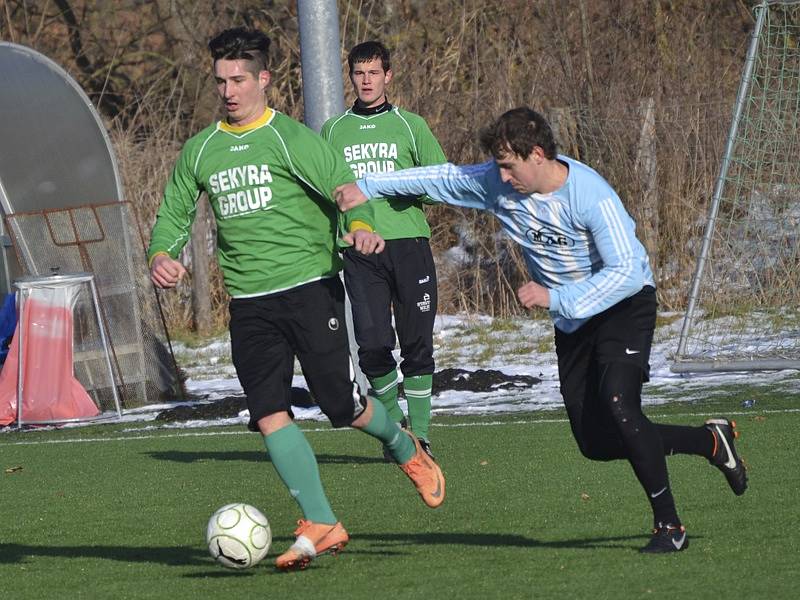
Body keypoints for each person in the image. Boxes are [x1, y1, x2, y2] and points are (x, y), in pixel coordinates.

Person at [335, 107, 747, 553]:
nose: (503, 176)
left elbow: (627, 272)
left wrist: (556, 299)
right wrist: (367, 187)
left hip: (624, 306)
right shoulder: (498, 183)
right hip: (574, 323)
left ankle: (670, 527)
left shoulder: (590, 194)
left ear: (537, 155)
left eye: (509, 165)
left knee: (619, 405)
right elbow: (439, 178)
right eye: (498, 166)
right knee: (595, 441)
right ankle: (710, 440)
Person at [147, 27, 445, 571]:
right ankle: (321, 520)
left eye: (239, 79)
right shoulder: (201, 150)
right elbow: (175, 210)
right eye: (221, 81)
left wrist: (359, 224)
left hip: (310, 289)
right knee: (267, 412)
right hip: (250, 303)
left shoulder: (292, 139)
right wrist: (161, 253)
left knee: (341, 406)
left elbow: (345, 188)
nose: (229, 91)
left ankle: (404, 444)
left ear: (264, 79)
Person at [321, 41, 447, 460]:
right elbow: (324, 193)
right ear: (351, 77)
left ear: (388, 76)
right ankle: (397, 430)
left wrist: (397, 183)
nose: (367, 80)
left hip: (409, 245)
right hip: (359, 249)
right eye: (359, 73)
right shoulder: (333, 131)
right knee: (372, 344)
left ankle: (422, 434)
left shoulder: (411, 125)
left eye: (374, 72)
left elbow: (438, 184)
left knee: (417, 343)